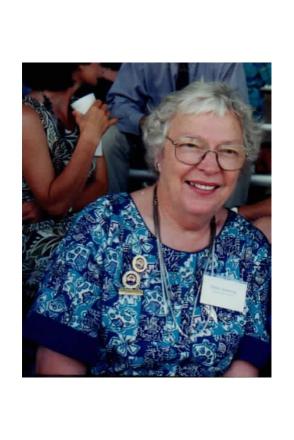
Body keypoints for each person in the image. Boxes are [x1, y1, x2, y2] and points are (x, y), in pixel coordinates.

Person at [23, 81, 271, 377]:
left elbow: (245, 365)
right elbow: (57, 364)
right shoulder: (102, 228)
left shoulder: (249, 248)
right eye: (191, 146)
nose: (210, 165)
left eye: (228, 151)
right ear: (159, 154)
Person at [22, 63, 117, 309]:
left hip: (78, 225)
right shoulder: (25, 116)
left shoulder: (84, 107)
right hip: (35, 240)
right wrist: (89, 137)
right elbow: (55, 204)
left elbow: (101, 184)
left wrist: (49, 207)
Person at [103, 62, 250, 205]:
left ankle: (228, 218)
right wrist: (145, 122)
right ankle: (112, 210)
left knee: (239, 149)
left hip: (207, 137)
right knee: (110, 139)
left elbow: (237, 109)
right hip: (152, 136)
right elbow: (119, 103)